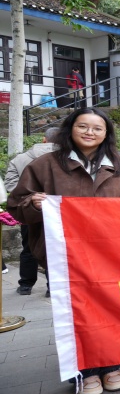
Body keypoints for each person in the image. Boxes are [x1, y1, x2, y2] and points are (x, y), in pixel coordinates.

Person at [7, 108, 120, 394]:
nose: (89, 132)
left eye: (97, 128)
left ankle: (111, 365)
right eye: (83, 126)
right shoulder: (44, 166)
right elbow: (17, 205)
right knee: (75, 312)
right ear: (70, 129)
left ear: (106, 134)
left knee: (112, 309)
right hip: (64, 255)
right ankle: (84, 370)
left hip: (111, 254)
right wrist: (34, 203)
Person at [4, 127, 59, 296]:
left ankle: (26, 285)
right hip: (59, 211)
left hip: (29, 210)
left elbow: (10, 184)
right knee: (55, 248)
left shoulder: (20, 159)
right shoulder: (67, 159)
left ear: (44, 139)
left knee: (28, 246)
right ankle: (52, 287)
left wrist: (30, 197)